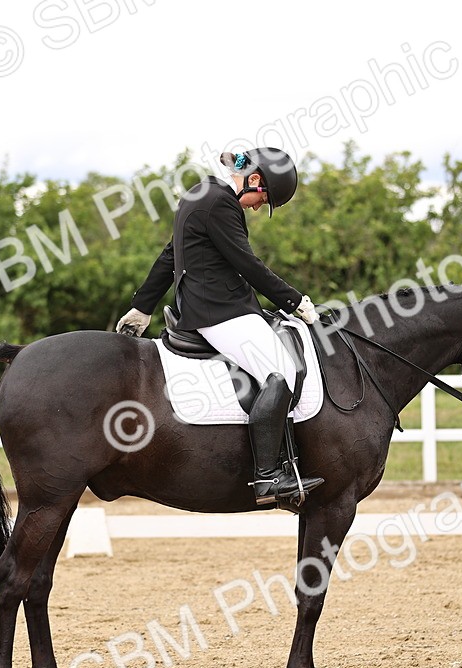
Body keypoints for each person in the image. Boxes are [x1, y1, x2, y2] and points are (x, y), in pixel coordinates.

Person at [116, 147, 324, 506]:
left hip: (214, 307)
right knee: (282, 372)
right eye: (264, 199)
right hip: (219, 312)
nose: (258, 207)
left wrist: (142, 307)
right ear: (254, 179)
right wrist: (294, 301)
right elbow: (247, 264)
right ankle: (268, 477)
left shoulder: (203, 194)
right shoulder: (219, 203)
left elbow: (171, 254)